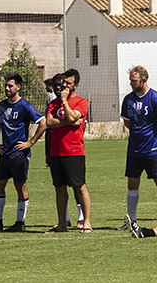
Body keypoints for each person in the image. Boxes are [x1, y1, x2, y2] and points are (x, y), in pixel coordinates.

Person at [0, 73, 46, 232]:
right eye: (5, 86)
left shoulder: (25, 106)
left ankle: (20, 223)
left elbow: (43, 123)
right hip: (5, 153)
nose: (7, 88)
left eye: (10, 86)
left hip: (19, 154)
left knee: (20, 186)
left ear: (18, 87)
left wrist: (30, 143)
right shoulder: (1, 106)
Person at [119, 65, 157, 228]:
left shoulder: (155, 99)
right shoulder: (128, 100)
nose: (131, 83)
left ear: (143, 80)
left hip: (152, 150)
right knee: (132, 183)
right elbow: (127, 122)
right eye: (130, 80)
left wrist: (153, 136)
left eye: (134, 81)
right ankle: (131, 220)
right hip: (134, 150)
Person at [45, 68, 92, 233]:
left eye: (68, 83)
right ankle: (62, 223)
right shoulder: (53, 103)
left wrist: (65, 102)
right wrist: (68, 122)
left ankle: (86, 222)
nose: (64, 86)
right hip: (56, 151)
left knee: (80, 187)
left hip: (74, 151)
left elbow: (73, 116)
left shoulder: (81, 102)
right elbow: (49, 122)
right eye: (63, 82)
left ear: (76, 85)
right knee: (59, 188)